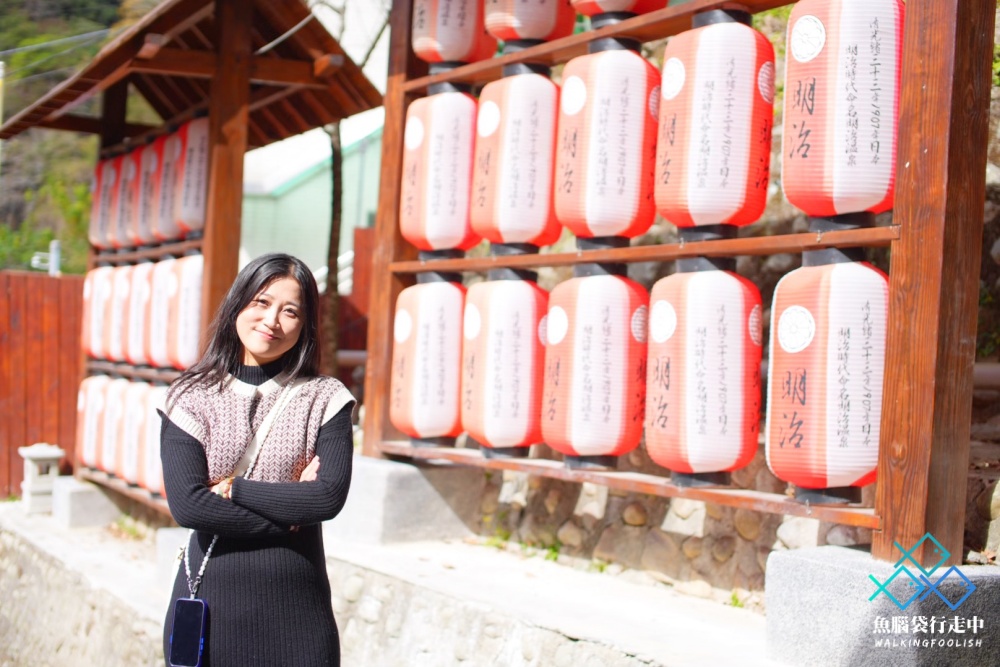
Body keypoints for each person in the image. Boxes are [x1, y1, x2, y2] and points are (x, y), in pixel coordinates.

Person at [159, 253, 355, 666]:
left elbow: (327, 499)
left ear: (305, 326)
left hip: (299, 616)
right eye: (262, 303)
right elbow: (188, 504)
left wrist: (234, 489)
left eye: (290, 311)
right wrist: (290, 514)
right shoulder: (189, 398)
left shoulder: (326, 399)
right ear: (238, 305)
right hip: (211, 609)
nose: (273, 321)